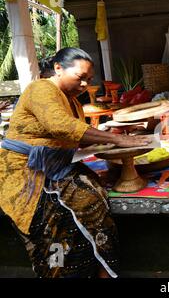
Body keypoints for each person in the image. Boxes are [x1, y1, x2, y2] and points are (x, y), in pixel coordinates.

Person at [0, 47, 151, 278]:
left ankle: (101, 270)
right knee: (60, 222)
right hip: (27, 174)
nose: (84, 85)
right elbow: (61, 126)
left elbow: (70, 137)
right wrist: (116, 139)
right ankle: (60, 271)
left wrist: (110, 137)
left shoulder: (73, 102)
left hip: (55, 168)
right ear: (58, 68)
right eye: (81, 78)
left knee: (92, 198)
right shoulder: (40, 89)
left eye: (89, 80)